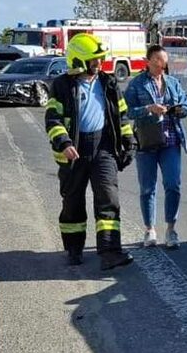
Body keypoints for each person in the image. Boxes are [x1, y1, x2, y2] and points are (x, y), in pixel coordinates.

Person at [44, 33, 135, 270]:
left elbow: (121, 115)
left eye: (100, 59)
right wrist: (64, 143)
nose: (99, 63)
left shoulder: (109, 83)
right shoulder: (62, 85)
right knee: (73, 202)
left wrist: (128, 140)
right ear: (78, 60)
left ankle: (110, 252)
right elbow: (53, 119)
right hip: (73, 151)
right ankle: (74, 249)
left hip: (103, 148)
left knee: (108, 198)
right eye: (94, 59)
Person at [123, 44, 187, 249]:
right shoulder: (137, 84)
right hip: (147, 141)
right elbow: (127, 111)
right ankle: (149, 229)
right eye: (158, 61)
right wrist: (148, 109)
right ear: (148, 62)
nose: (162, 65)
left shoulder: (172, 83)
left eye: (164, 61)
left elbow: (186, 106)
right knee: (147, 187)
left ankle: (171, 229)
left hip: (171, 141)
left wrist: (179, 110)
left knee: (173, 184)